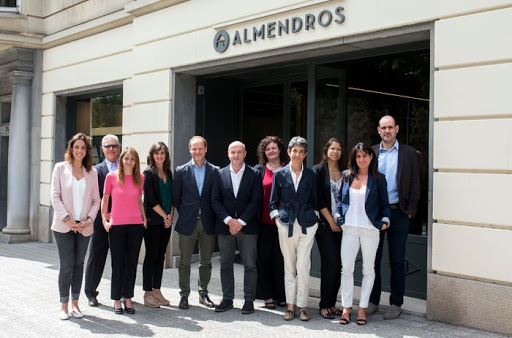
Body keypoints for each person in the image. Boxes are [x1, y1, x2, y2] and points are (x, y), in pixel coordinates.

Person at [368, 115, 420, 319]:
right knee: (373, 259)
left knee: (397, 260)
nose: (387, 131)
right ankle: (372, 301)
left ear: (397, 129)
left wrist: (410, 210)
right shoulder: (370, 152)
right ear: (378, 130)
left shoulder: (408, 153)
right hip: (376, 213)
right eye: (383, 127)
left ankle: (395, 303)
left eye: (390, 127)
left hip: (399, 212)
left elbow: (416, 183)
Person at [334, 142, 390, 326]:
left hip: (370, 229)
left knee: (368, 269)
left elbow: (385, 205)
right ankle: (347, 307)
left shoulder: (379, 178)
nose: (362, 159)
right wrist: (338, 215)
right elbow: (340, 201)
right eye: (358, 156)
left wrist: (384, 222)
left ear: (371, 157)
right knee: (347, 269)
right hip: (349, 228)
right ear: (354, 159)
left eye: (365, 155)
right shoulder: (347, 176)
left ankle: (362, 308)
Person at [50, 133, 100, 320]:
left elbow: (96, 200)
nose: (80, 150)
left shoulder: (92, 172)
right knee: (67, 265)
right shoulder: (60, 168)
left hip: (84, 226)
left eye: (83, 148)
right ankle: (63, 306)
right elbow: (55, 196)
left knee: (79, 265)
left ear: (87, 151)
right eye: (76, 147)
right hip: (64, 226)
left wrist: (89, 219)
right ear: (71, 148)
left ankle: (76, 305)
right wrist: (67, 220)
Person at [269, 136, 318, 322]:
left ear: (305, 154)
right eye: (294, 151)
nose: (297, 154)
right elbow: (273, 203)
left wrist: (315, 221)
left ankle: (303, 306)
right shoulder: (280, 174)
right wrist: (277, 220)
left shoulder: (311, 175)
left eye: (301, 151)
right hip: (286, 224)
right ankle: (290, 306)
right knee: (289, 266)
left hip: (307, 224)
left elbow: (315, 201)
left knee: (303, 267)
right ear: (288, 152)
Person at [211, 141, 262, 314]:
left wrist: (240, 222)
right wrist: (229, 221)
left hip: (247, 227)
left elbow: (256, 201)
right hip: (225, 227)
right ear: (228, 154)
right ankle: (227, 299)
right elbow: (215, 200)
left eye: (239, 152)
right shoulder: (219, 174)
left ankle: (248, 300)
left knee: (250, 265)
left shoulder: (255, 174)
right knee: (225, 263)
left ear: (245, 153)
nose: (236, 155)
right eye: (233, 152)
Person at [172, 136, 217, 310]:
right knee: (184, 261)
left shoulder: (215, 171)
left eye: (200, 148)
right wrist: (184, 214)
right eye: (194, 149)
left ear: (206, 149)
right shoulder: (181, 170)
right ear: (189, 150)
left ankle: (203, 293)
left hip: (208, 222)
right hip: (187, 222)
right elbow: (177, 196)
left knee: (206, 261)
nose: (197, 152)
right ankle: (184, 295)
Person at [101, 146, 146, 315]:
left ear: (136, 162)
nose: (129, 162)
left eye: (132, 159)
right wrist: (104, 220)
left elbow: (139, 200)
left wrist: (144, 218)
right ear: (121, 160)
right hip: (117, 226)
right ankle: (116, 300)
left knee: (132, 264)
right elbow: (104, 201)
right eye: (126, 158)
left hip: (136, 226)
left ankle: (128, 297)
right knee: (117, 264)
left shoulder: (140, 178)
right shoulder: (111, 177)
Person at [84, 134, 120, 307]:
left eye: (114, 146)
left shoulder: (126, 167)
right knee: (96, 257)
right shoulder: (95, 170)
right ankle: (90, 292)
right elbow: (92, 196)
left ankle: (119, 293)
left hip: (122, 220)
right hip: (101, 221)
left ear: (118, 148)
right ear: (103, 149)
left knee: (121, 259)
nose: (111, 149)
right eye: (108, 146)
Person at [312, 138, 345, 319]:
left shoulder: (346, 172)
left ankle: (332, 304)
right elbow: (318, 200)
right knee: (329, 264)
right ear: (326, 150)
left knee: (340, 266)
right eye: (333, 148)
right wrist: (331, 221)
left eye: (339, 149)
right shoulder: (318, 170)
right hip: (325, 226)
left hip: (344, 226)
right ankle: (324, 305)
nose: (336, 152)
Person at [254, 136, 287, 309]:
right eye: (268, 149)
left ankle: (281, 295)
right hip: (264, 223)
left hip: (285, 223)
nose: (271, 151)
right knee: (264, 259)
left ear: (280, 149)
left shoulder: (288, 169)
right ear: (264, 152)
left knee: (282, 260)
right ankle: (267, 295)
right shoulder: (258, 170)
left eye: (274, 148)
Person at [142, 142, 174, 308]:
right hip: (154, 221)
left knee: (160, 257)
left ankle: (157, 290)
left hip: (166, 222)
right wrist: (164, 216)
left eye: (162, 153)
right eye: (157, 153)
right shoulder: (148, 173)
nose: (160, 156)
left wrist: (170, 216)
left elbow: (173, 196)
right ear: (152, 155)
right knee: (151, 256)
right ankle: (147, 292)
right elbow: (151, 199)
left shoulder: (168, 172)